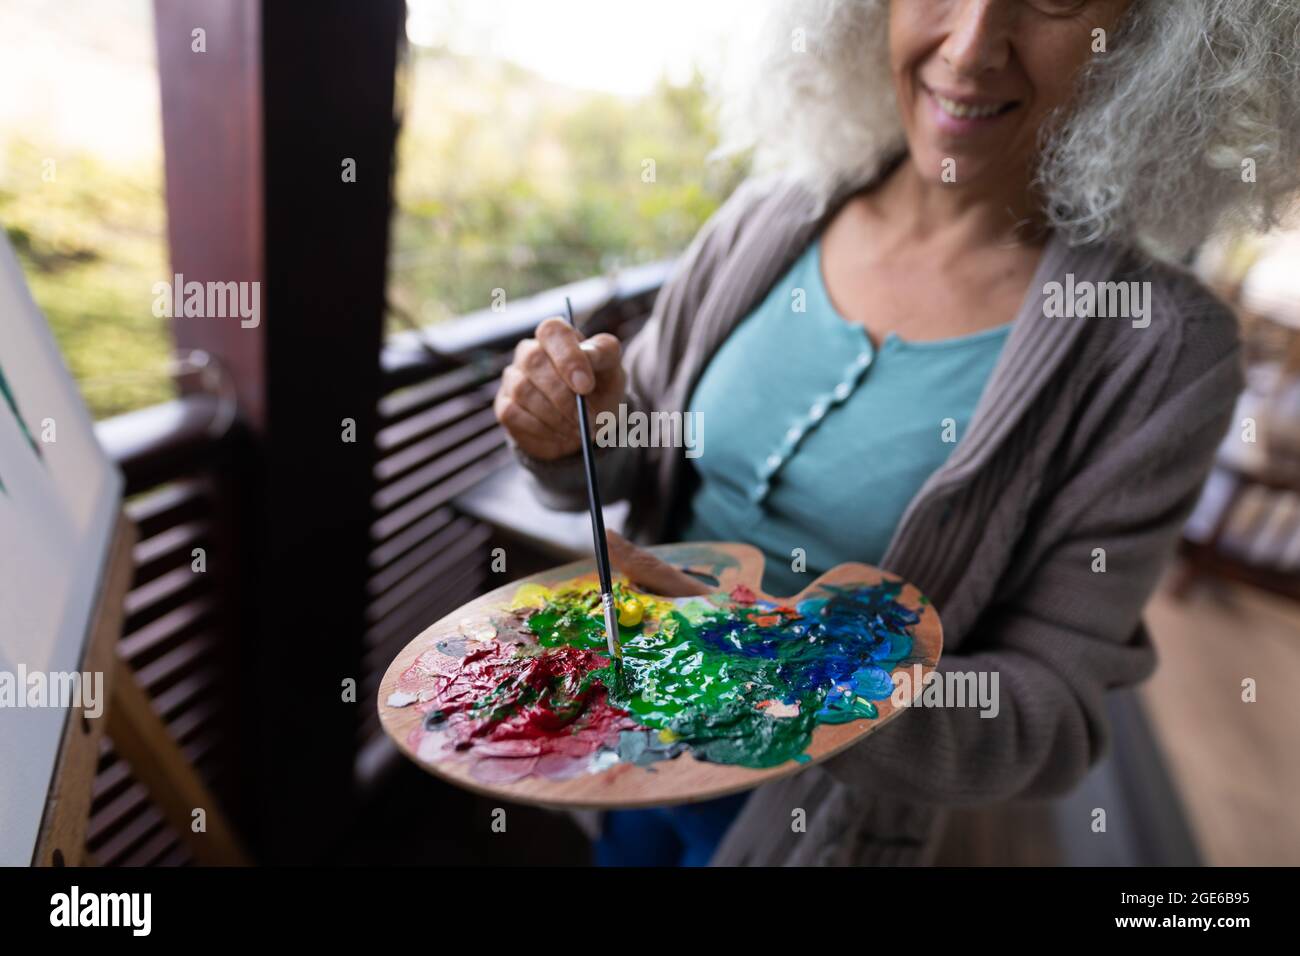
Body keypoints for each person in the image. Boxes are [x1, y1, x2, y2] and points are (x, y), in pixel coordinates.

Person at [493, 0, 1300, 866]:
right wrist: (571, 429)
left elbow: (1049, 711)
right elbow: (633, 453)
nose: (971, 44)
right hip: (626, 743)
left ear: (1154, 35)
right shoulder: (770, 215)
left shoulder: (1159, 349)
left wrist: (790, 678)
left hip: (809, 832)